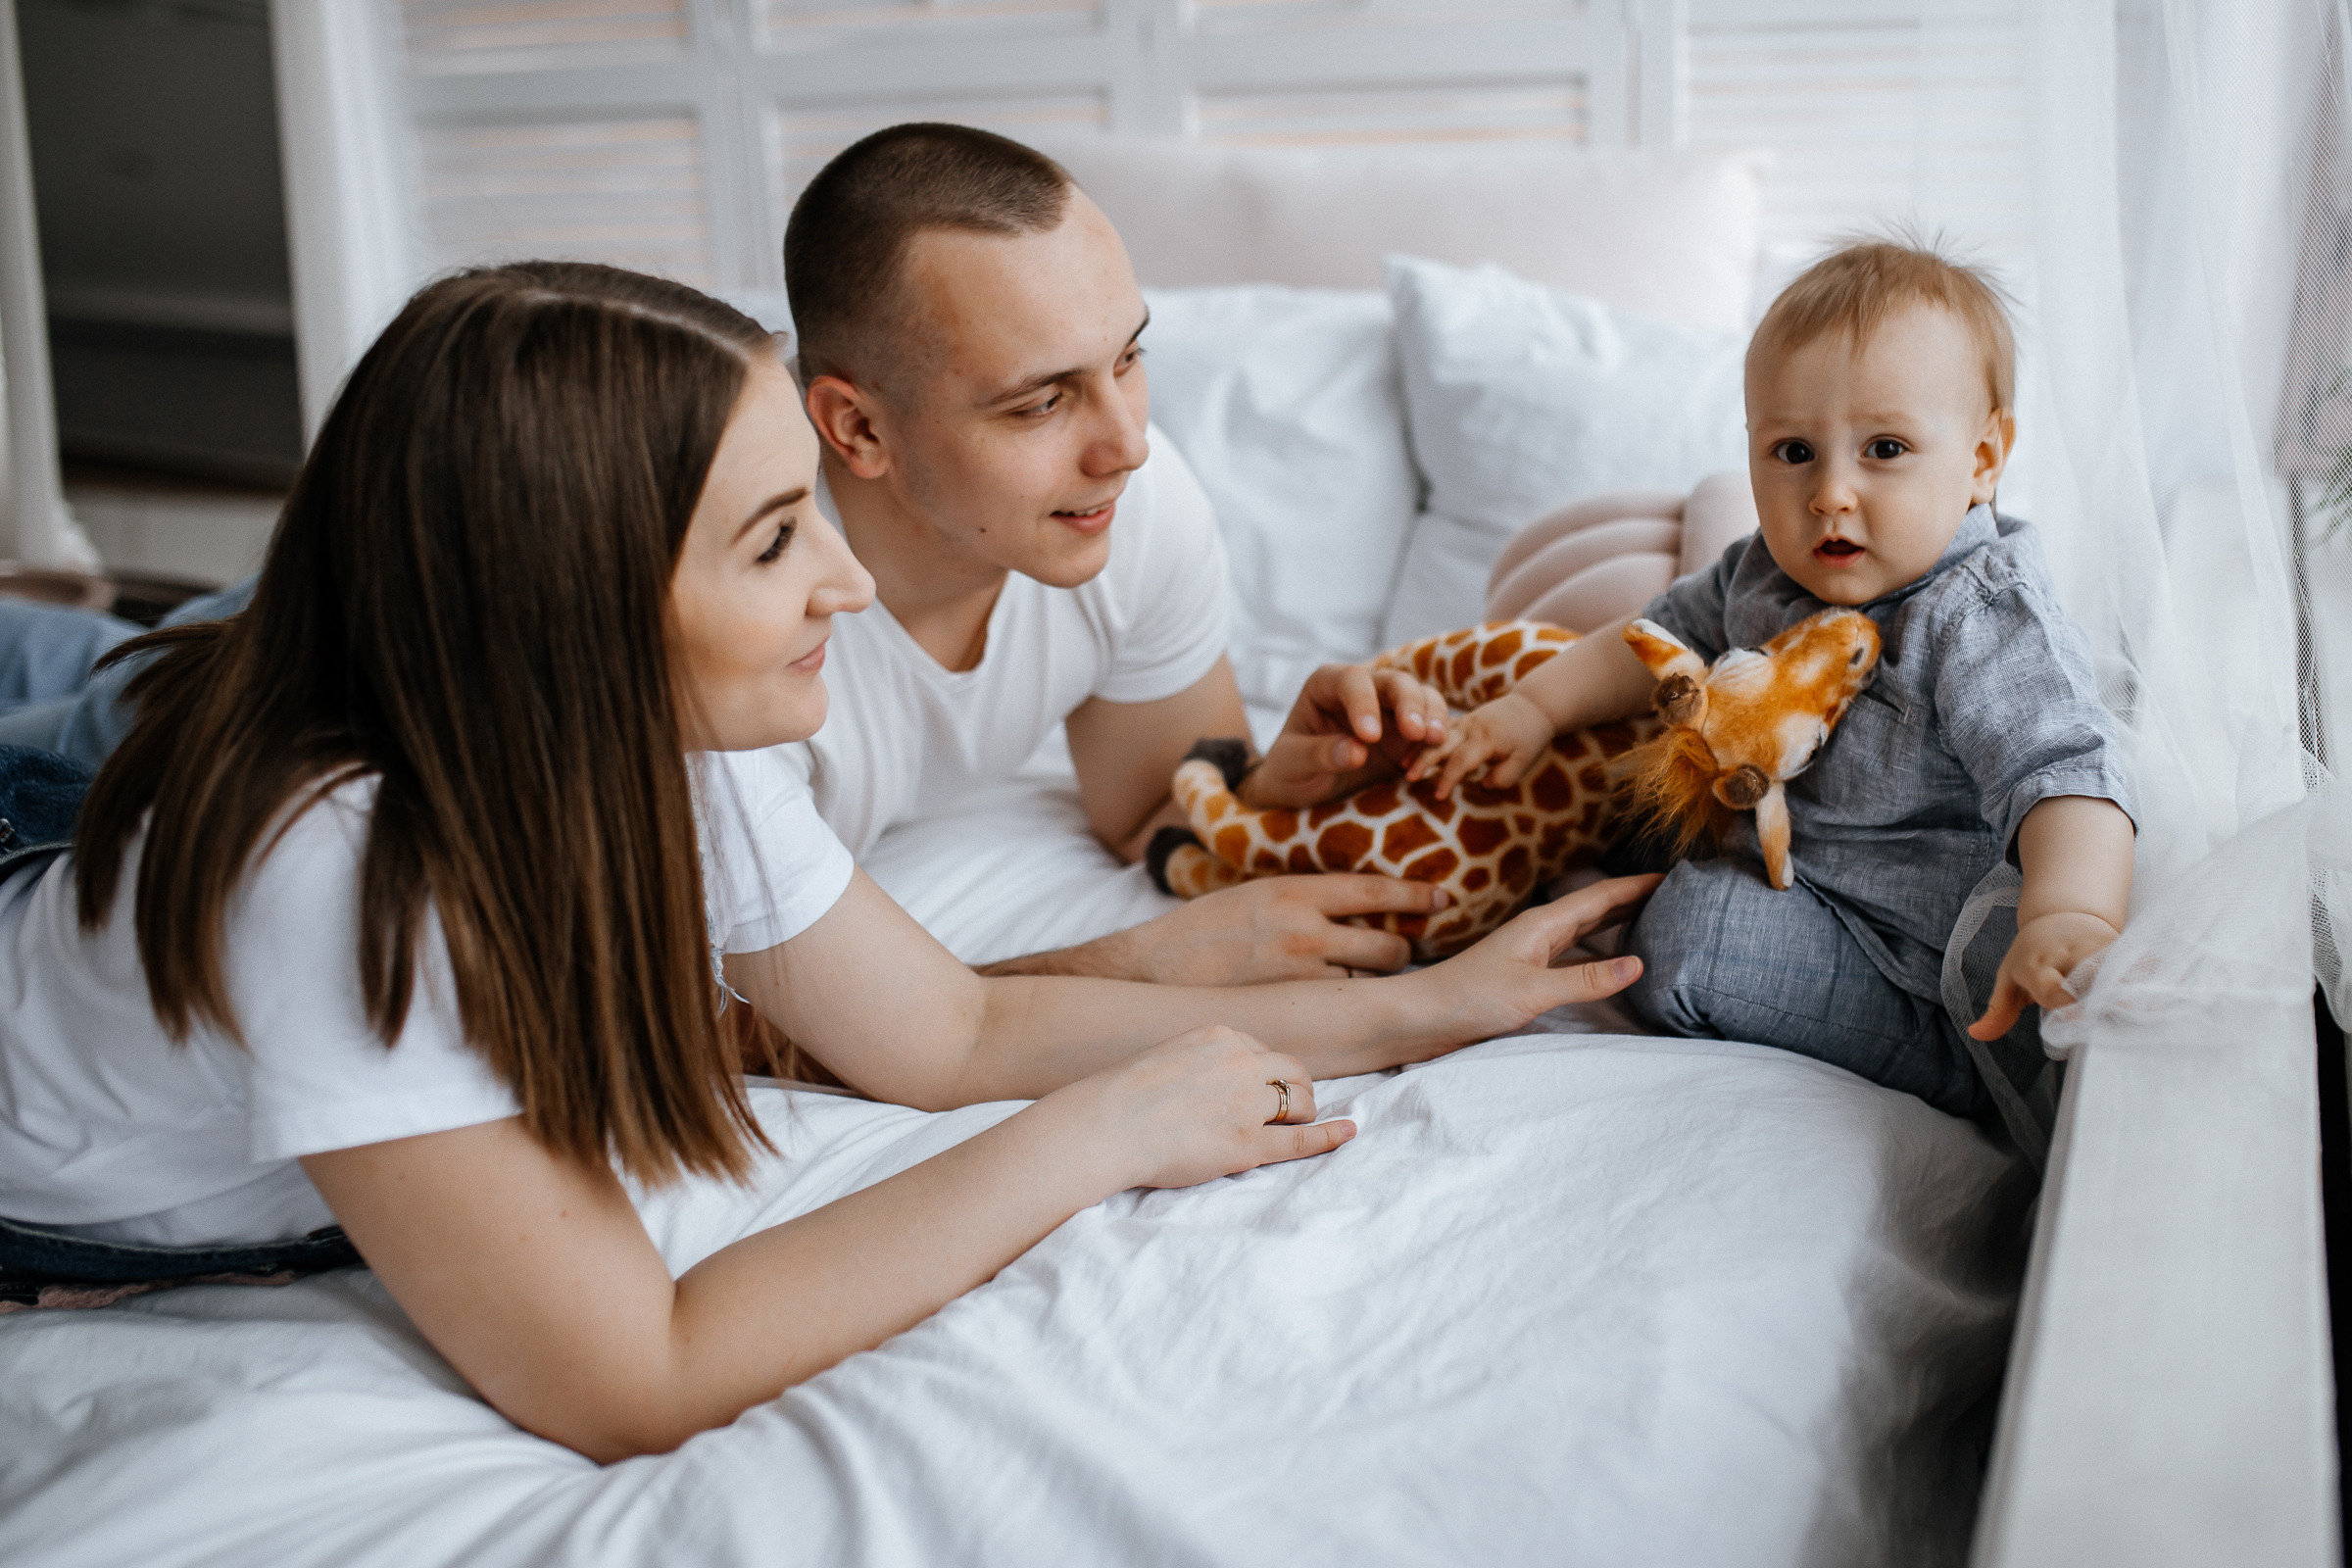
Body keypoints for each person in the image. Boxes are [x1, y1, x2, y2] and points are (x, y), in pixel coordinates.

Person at [0, 263, 1656, 1459]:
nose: (849, 593)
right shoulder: (351, 872)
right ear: (578, 604)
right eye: (775, 541)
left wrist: (1426, 1005)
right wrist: (1094, 1138)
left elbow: (948, 1034)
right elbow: (628, 1377)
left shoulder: (683, 739)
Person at [1411, 238, 2136, 1118]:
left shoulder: (1977, 615)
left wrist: (2070, 914)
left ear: (1983, 459)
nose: (1830, 492)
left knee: (1694, 934)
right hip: (1787, 875)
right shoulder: (1765, 572)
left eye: (1885, 448)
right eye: (1793, 452)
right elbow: (1651, 639)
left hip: (1911, 971)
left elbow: (2065, 772)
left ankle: (1948, 1073)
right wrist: (1532, 708)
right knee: (1622, 814)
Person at [776, 123, 1454, 986]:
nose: (1127, 445)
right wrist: (1135, 966)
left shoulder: (1125, 504)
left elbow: (1149, 810)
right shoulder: (721, 594)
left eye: (1128, 357)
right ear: (859, 428)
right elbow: (642, 1021)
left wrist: (1281, 795)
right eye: (1041, 402)